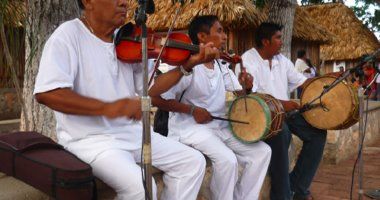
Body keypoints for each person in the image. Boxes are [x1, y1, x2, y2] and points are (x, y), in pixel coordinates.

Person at [33, 1, 221, 199]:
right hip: (90, 140)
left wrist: (187, 66)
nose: (124, 2)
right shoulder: (68, 35)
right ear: (88, 2)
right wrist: (109, 108)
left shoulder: (128, 40)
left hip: (133, 134)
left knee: (192, 162)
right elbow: (47, 93)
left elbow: (151, 89)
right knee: (139, 187)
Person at [149, 15, 271, 200]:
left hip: (219, 127)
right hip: (191, 129)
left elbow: (241, 93)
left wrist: (247, 86)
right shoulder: (187, 65)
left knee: (262, 152)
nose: (224, 37)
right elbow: (156, 99)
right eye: (219, 31)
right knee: (227, 160)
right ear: (202, 37)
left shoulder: (221, 65)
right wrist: (191, 110)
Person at [239, 22, 327, 200]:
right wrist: (282, 105)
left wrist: (327, 81)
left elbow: (303, 82)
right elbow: (253, 96)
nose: (281, 41)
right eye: (278, 38)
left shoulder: (282, 60)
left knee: (317, 133)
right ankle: (282, 195)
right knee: (283, 134)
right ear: (265, 41)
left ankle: (297, 187)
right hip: (261, 116)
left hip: (285, 114)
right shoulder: (248, 59)